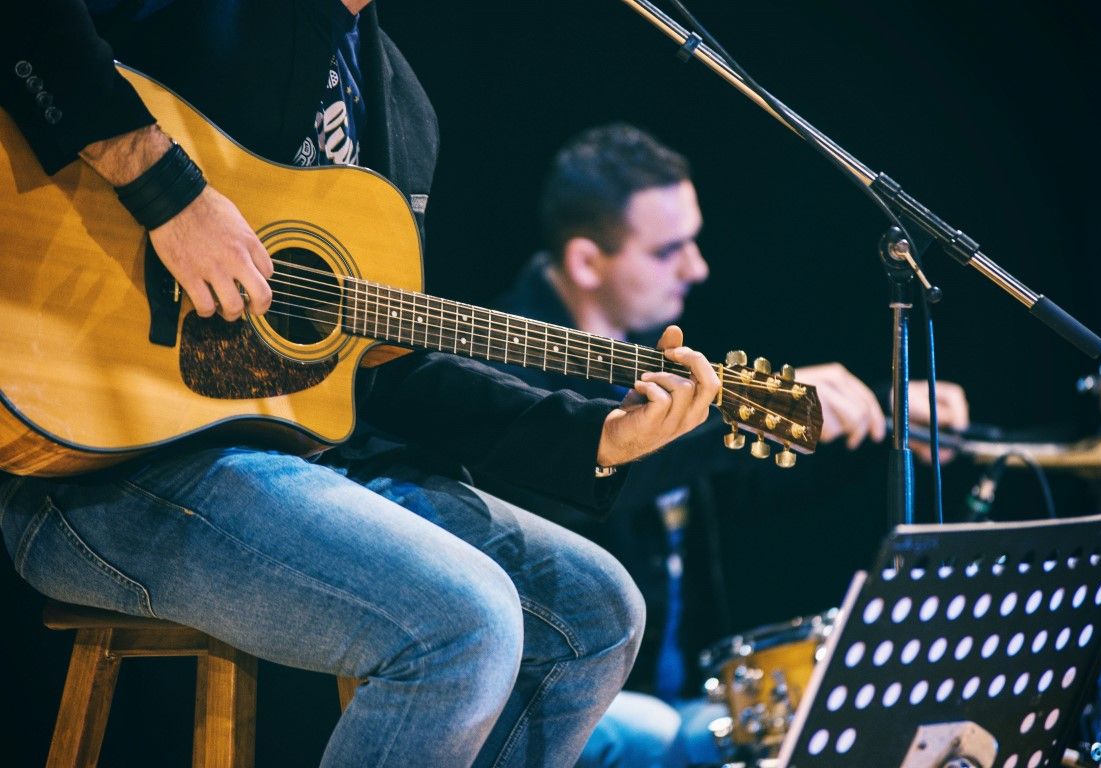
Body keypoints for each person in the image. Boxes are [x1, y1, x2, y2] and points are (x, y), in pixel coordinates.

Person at [0, 5, 724, 767]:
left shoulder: (402, 109)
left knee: (597, 611)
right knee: (466, 621)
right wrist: (169, 192)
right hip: (98, 471)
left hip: (291, 463)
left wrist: (592, 436)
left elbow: (384, 369)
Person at [484, 123, 971, 767]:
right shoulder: (502, 368)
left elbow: (735, 486)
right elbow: (581, 490)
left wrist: (881, 421)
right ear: (585, 262)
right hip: (557, 694)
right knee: (680, 741)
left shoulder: (652, 344)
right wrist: (760, 408)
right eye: (668, 250)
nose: (698, 267)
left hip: (677, 691)